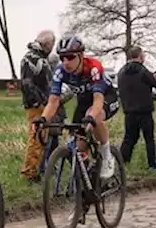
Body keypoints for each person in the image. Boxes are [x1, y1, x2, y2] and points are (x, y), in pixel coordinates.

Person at [33, 34, 120, 181]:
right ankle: (88, 179)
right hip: (84, 101)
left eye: (70, 57)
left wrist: (91, 118)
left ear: (81, 55)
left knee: (94, 116)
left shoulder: (93, 67)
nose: (66, 62)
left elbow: (98, 100)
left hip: (105, 97)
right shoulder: (60, 72)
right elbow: (53, 101)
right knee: (78, 147)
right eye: (62, 58)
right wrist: (43, 119)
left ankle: (107, 156)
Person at [116, 45, 156, 173]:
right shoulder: (143, 71)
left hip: (129, 112)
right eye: (143, 55)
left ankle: (122, 163)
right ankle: (153, 165)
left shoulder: (121, 72)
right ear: (140, 57)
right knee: (149, 138)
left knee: (129, 138)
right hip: (144, 111)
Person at [19, 30, 56, 182]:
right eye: (52, 45)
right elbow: (27, 84)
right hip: (37, 105)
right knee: (36, 139)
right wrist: (39, 101)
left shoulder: (34, 57)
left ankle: (35, 170)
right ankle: (30, 172)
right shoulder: (34, 59)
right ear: (47, 45)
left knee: (40, 140)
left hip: (40, 103)